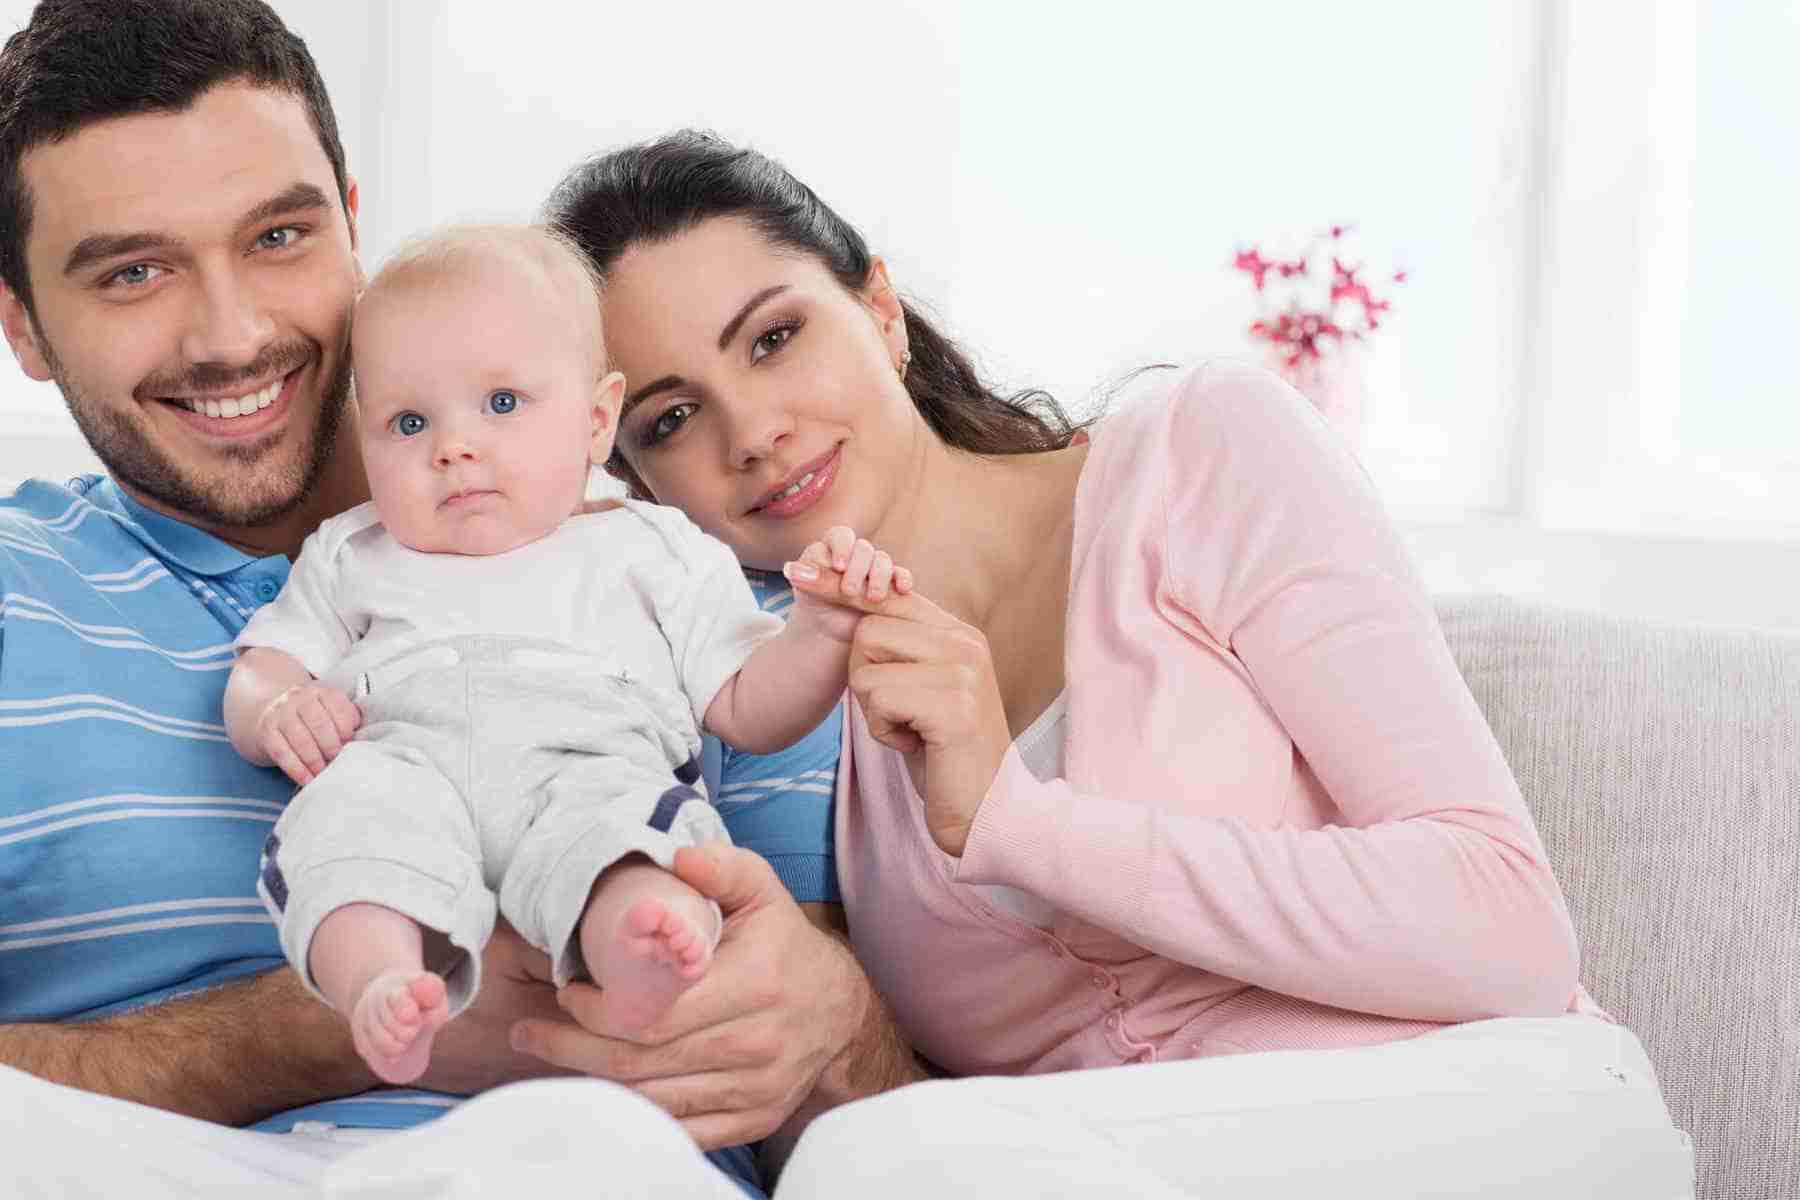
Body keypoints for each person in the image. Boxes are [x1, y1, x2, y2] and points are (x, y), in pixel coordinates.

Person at [530, 131, 1698, 1196]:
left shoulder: (1198, 455)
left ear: (878, 309)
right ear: (639, 485)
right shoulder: (809, 725)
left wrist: (1019, 821)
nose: (751, 432)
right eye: (672, 422)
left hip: (1515, 1124)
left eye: (776, 339)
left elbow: (1509, 931)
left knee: (885, 1166)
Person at [0, 4, 904, 1196]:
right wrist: (293, 1034)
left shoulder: (673, 553)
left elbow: (881, 1114)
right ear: (23, 326)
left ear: (352, 226)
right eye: (134, 271)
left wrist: (832, 1025)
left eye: (278, 236)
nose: (233, 334)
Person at [224, 223, 907, 1087]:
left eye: (502, 403)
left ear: (594, 420)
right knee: (344, 829)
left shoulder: (655, 548)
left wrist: (823, 631)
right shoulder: (351, 553)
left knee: (635, 843)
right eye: (407, 421)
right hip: (405, 764)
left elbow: (748, 704)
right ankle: (381, 980)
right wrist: (279, 706)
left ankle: (640, 954)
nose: (453, 446)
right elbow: (263, 663)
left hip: (589, 766)